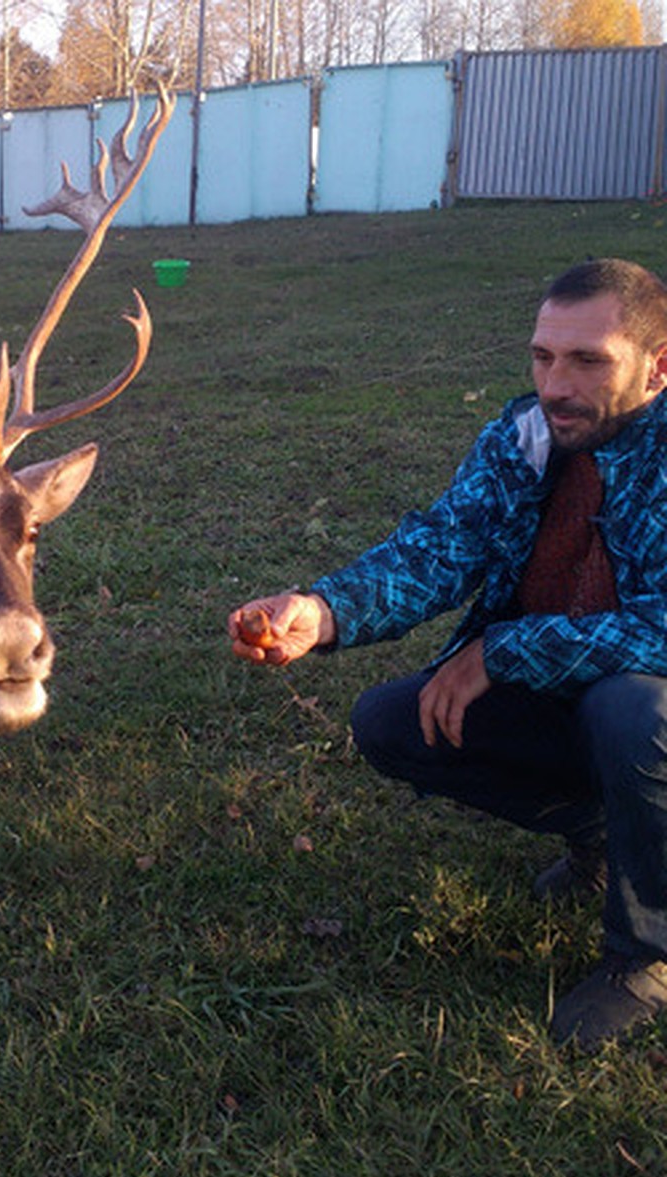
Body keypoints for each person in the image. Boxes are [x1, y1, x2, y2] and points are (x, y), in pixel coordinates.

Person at [228, 257, 667, 1051]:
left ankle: (645, 959)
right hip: (560, 696)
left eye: (587, 360)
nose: (555, 385)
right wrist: (324, 610)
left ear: (657, 365)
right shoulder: (525, 437)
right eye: (542, 357)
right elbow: (442, 545)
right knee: (393, 721)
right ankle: (602, 832)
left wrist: (503, 652)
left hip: (644, 704)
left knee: (633, 710)